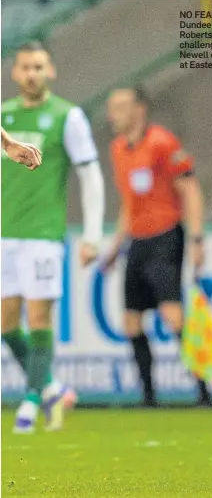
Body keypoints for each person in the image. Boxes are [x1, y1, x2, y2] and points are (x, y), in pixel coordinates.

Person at [1, 42, 105, 432]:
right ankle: (50, 387)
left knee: (39, 314)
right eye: (25, 67)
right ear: (15, 73)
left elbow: (90, 174)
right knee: (6, 325)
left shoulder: (68, 117)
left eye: (38, 67)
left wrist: (92, 235)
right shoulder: (4, 118)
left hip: (43, 234)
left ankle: (29, 402)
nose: (32, 74)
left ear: (51, 71)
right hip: (4, 232)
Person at [104, 86, 212, 407]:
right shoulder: (118, 149)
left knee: (172, 315)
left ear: (140, 109)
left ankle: (204, 393)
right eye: (111, 108)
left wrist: (196, 237)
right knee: (131, 320)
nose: (113, 114)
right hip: (137, 240)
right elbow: (129, 203)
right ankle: (148, 397)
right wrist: (114, 247)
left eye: (120, 106)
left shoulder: (163, 142)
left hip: (166, 236)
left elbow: (190, 190)